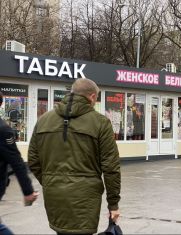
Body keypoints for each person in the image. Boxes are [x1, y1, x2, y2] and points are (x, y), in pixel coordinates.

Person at [28, 78, 121, 235]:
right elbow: (111, 167)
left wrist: (51, 181)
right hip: (86, 199)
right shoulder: (100, 123)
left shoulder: (44, 120)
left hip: (54, 195)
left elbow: (33, 160)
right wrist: (113, 204)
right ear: (92, 97)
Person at [0, 92, 38, 235]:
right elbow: (16, 161)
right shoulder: (4, 129)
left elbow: (16, 161)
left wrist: (28, 190)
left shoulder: (3, 129)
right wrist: (28, 191)